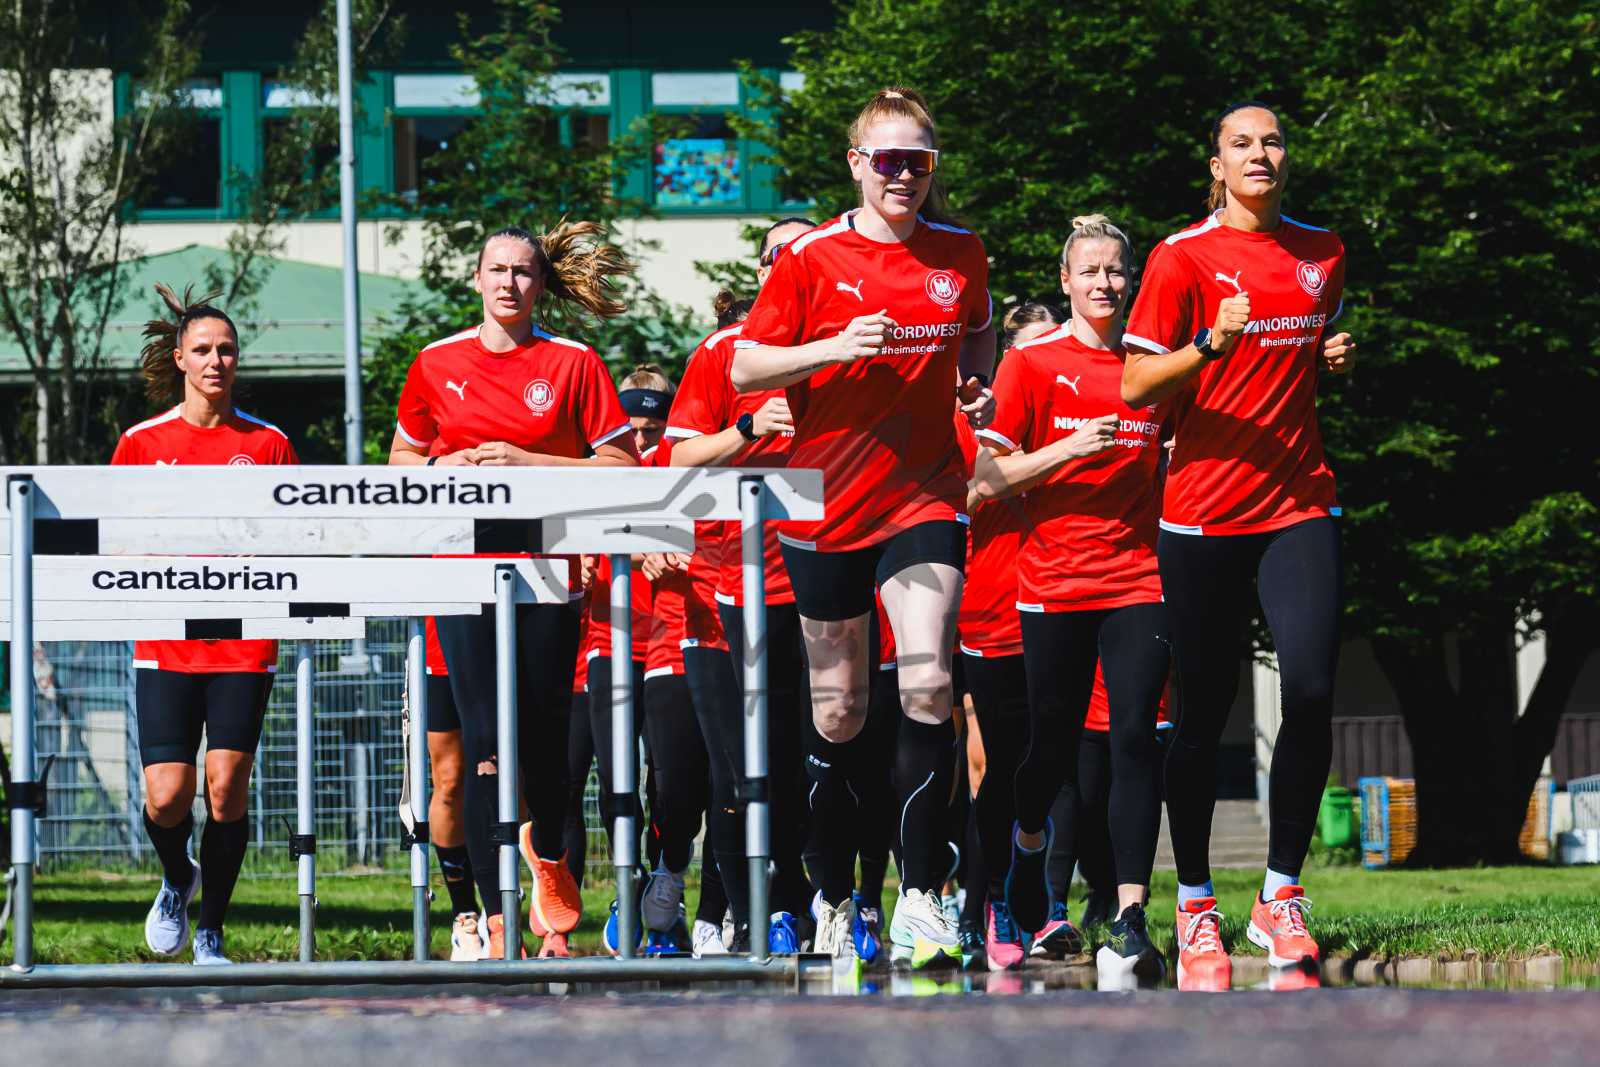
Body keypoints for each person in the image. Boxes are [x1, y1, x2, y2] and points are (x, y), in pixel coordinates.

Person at [732, 87, 996, 971]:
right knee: (840, 708)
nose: (904, 176)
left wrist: (974, 386)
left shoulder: (959, 252)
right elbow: (745, 366)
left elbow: (978, 335)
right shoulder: (809, 256)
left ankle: (922, 895)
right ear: (857, 165)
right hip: (826, 504)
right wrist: (833, 348)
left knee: (927, 680)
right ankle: (839, 895)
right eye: (889, 160)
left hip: (922, 495)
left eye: (919, 161)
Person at [1120, 101, 1355, 990]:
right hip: (1203, 515)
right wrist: (1207, 344)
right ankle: (1195, 904)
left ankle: (1280, 894)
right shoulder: (1180, 257)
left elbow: (1304, 349)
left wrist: (1332, 357)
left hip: (1299, 502)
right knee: (1205, 710)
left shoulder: (1323, 252)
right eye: (1242, 143)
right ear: (1216, 165)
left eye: (1274, 140)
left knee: (1313, 686)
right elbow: (1137, 384)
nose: (1262, 153)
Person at [389, 221, 638, 959]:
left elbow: (622, 466)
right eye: (496, 270)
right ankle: (498, 914)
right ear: (476, 279)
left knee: (544, 747)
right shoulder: (435, 362)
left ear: (540, 284)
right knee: (484, 746)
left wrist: (530, 463)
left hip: (547, 571)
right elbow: (401, 457)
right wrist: (440, 469)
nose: (508, 282)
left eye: (523, 271)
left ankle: (549, 859)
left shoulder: (573, 362)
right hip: (461, 571)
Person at [976, 214, 1172, 986]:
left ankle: (1129, 911)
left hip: (1137, 578)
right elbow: (986, 481)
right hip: (1053, 582)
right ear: (1066, 281)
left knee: (1134, 738)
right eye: (1089, 270)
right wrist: (1067, 447)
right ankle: (1027, 843)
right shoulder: (1030, 364)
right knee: (1049, 748)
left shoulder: (1151, 364)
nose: (1104, 282)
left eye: (1116, 270)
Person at [116, 283, 299, 965]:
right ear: (180, 358)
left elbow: (300, 539)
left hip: (243, 642)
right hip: (165, 641)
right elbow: (111, 538)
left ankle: (212, 931)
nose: (216, 360)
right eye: (202, 350)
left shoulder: (269, 443)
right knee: (167, 796)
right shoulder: (141, 443)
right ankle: (177, 877)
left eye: (226, 349)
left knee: (225, 787)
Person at [667, 219, 819, 956]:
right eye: (777, 255)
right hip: (728, 589)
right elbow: (678, 459)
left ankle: (818, 903)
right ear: (761, 271)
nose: (790, 264)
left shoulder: (846, 351)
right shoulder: (723, 352)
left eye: (804, 252)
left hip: (823, 585)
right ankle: (750, 914)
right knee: (736, 770)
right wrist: (749, 429)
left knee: (806, 763)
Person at [955, 301, 1062, 971]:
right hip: (994, 610)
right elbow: (964, 496)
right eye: (1031, 350)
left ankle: (1048, 901)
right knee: (999, 766)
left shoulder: (1084, 408)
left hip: (1070, 601)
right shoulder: (977, 422)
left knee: (1057, 762)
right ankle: (993, 902)